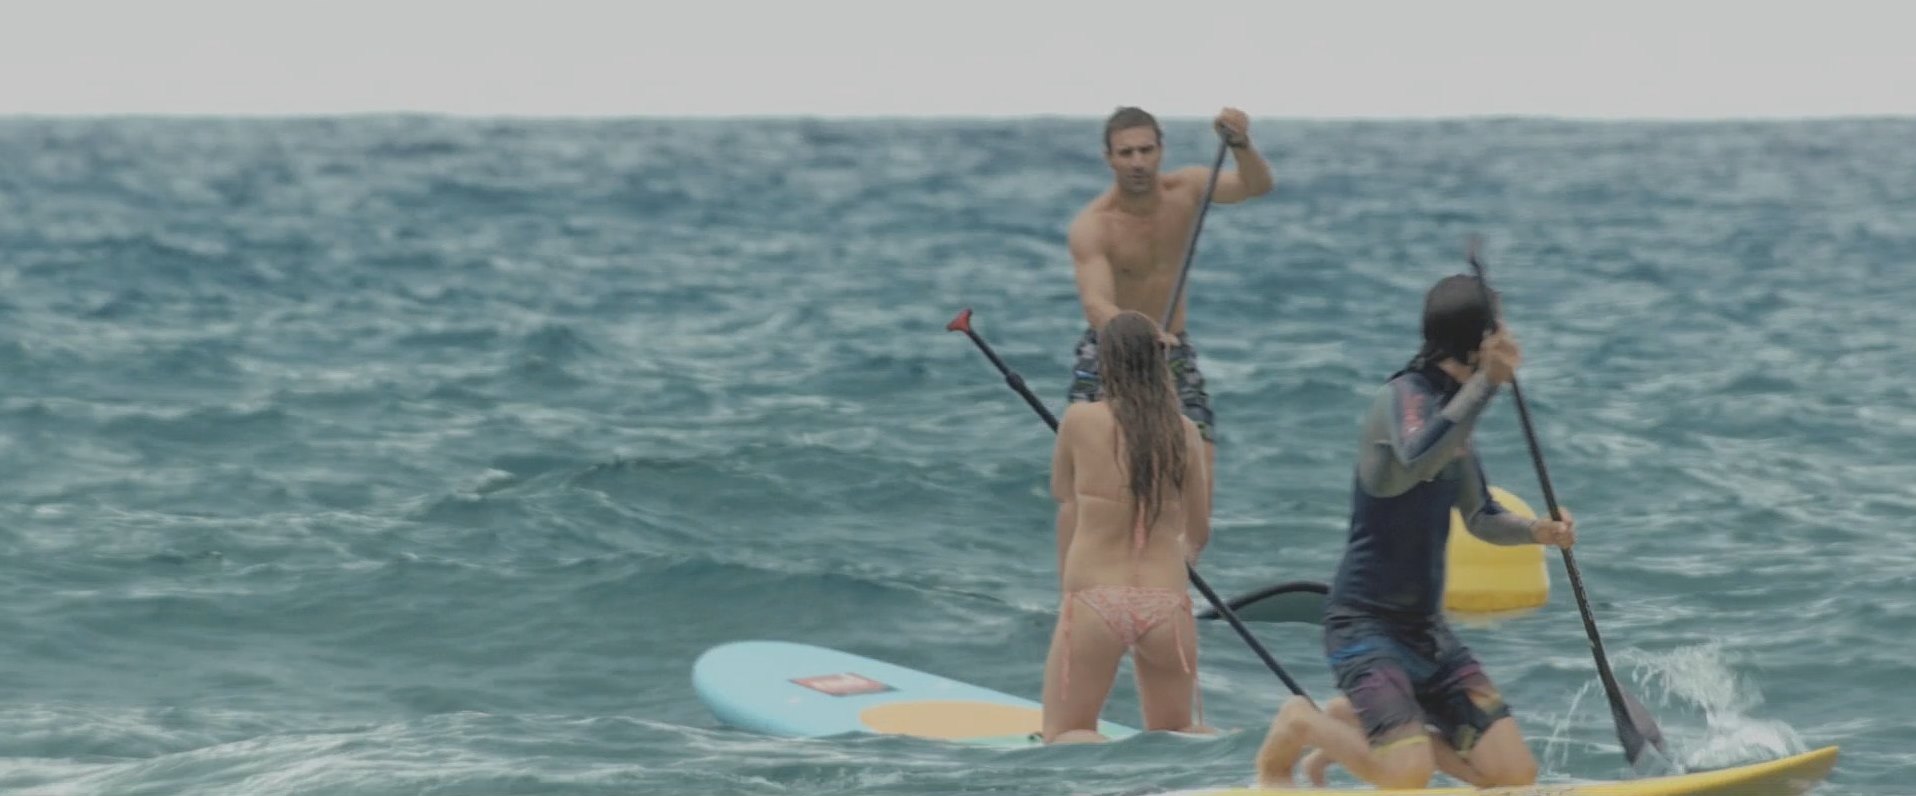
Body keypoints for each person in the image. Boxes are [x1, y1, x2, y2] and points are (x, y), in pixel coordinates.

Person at [1252, 274, 1578, 789]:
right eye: (1500, 327)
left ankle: (1354, 724)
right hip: (1365, 627)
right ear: (1475, 337)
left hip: (1427, 632)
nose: (1511, 338)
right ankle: (1300, 724)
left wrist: (1540, 531)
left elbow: (1481, 516)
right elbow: (1419, 456)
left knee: (1514, 776)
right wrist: (1487, 384)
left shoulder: (1457, 415)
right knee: (1407, 779)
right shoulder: (1403, 396)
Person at [1060, 105, 1275, 555]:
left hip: (1172, 348)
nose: (1137, 162)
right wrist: (1137, 331)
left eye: (1146, 150)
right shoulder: (1093, 225)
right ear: (1108, 158)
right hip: (1112, 348)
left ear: (1161, 150)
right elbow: (1096, 303)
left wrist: (1240, 144)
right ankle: (1078, 581)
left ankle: (1179, 571)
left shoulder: (1188, 189)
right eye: (1126, 153)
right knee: (1087, 476)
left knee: (1199, 452)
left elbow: (1256, 186)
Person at [1039, 310, 1214, 743]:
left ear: (1106, 362)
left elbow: (1064, 497)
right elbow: (1198, 532)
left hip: (1095, 598)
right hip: (1165, 601)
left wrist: (1067, 589)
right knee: (1178, 734)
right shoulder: (1185, 432)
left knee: (1066, 733)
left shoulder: (1079, 421)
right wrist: (1178, 561)